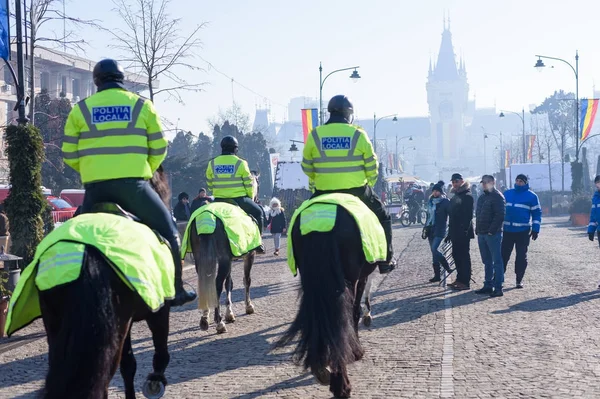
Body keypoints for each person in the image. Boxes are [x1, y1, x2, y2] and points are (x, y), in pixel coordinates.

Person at [61, 58, 196, 306]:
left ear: (96, 81)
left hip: (96, 191)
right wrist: (144, 168)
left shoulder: (80, 109)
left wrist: (91, 171)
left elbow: (69, 154)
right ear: (122, 80)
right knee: (169, 230)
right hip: (134, 188)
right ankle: (176, 289)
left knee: (71, 240)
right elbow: (159, 148)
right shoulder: (142, 106)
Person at [301, 94, 395, 274]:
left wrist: (320, 179)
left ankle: (299, 261)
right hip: (357, 192)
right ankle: (386, 260)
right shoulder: (358, 134)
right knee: (383, 216)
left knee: (301, 217)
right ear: (349, 114)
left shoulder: (315, 134)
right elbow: (372, 166)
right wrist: (369, 182)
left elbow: (306, 166)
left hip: (323, 192)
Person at [206, 135, 265, 254]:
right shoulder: (241, 163)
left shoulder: (212, 163)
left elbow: (209, 183)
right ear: (235, 149)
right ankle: (258, 243)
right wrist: (249, 197)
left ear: (221, 148)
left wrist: (218, 191)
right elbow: (249, 184)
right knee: (258, 212)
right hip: (239, 200)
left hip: (218, 200)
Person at [502, 174, 541, 288]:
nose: (519, 183)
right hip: (507, 230)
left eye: (521, 181)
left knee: (521, 257)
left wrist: (535, 229)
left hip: (523, 231)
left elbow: (537, 213)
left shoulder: (532, 196)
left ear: (525, 183)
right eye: (517, 180)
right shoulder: (507, 194)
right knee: (503, 255)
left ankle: (519, 279)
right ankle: (499, 278)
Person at [475, 175, 506, 297]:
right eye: (483, 182)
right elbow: (478, 214)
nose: (484, 184)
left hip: (492, 234)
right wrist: (478, 229)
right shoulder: (482, 197)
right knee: (486, 261)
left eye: (486, 182)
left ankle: (498, 286)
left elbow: (500, 215)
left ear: (493, 182)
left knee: (496, 261)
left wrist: (491, 231)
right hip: (482, 233)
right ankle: (488, 284)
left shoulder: (498, 197)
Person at [446, 173, 475, 291]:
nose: (454, 183)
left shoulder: (467, 196)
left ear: (462, 181)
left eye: (456, 181)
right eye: (453, 182)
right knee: (456, 255)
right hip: (455, 230)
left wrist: (463, 230)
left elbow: (468, 216)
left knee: (464, 256)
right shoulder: (455, 195)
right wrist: (449, 233)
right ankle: (459, 278)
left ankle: (465, 281)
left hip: (463, 231)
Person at [424, 181, 451, 282]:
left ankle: (447, 267)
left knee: (435, 249)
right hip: (430, 229)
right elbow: (428, 215)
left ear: (441, 192)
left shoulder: (445, 202)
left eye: (437, 191)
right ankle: (437, 275)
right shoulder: (430, 201)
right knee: (433, 252)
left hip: (440, 228)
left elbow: (450, 214)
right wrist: (425, 226)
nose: (435, 193)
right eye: (434, 191)